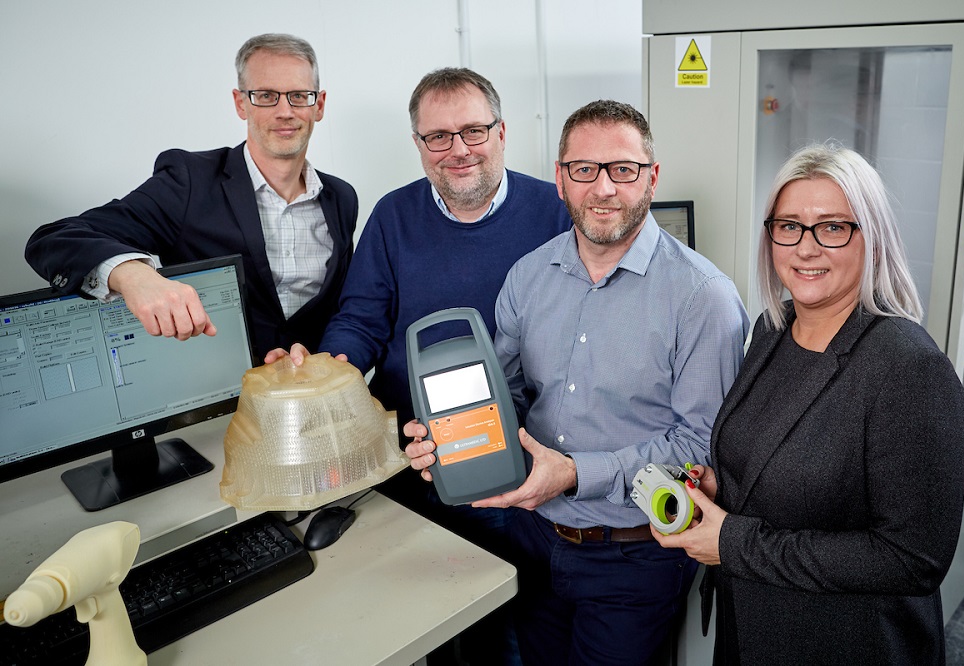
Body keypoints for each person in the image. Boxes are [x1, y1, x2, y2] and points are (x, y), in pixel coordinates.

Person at [405, 100, 749, 665]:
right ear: (561, 179)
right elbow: (508, 394)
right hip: (536, 540)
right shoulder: (528, 276)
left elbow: (701, 445)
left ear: (651, 178)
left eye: (623, 169)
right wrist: (453, 434)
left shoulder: (701, 297)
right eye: (585, 170)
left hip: (636, 560)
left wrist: (573, 475)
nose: (604, 188)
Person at [267, 67, 571, 666]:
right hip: (422, 465)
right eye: (438, 136)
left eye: (473, 131)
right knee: (439, 631)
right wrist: (326, 370)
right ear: (419, 145)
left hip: (526, 465)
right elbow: (361, 320)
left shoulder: (553, 212)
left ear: (502, 132)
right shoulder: (393, 216)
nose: (457, 150)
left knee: (517, 629)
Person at [652, 143, 964, 665]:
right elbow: (778, 465)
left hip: (846, 644)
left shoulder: (908, 369)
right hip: (752, 626)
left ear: (872, 239)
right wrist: (723, 486)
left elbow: (912, 558)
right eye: (789, 226)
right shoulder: (773, 329)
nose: (806, 248)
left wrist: (735, 544)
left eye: (832, 227)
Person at [24, 33, 357, 361]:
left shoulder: (341, 198)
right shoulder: (189, 182)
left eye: (299, 96)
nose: (285, 111)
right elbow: (54, 238)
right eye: (266, 95)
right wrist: (134, 275)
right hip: (216, 398)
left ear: (320, 105)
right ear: (241, 103)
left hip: (311, 394)